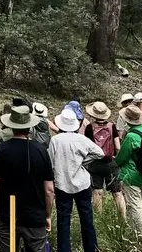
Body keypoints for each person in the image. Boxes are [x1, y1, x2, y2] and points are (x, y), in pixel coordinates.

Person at [0, 105, 54, 252]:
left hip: (9, 215)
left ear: (12, 126)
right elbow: (49, 189)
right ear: (29, 127)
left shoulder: (1, 150)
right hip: (35, 217)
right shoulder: (41, 151)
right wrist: (47, 215)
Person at [49, 108, 102, 252]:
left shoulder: (55, 140)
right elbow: (100, 153)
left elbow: (51, 162)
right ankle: (91, 248)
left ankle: (64, 249)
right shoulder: (81, 139)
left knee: (63, 221)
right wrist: (83, 162)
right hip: (82, 184)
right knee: (87, 219)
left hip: (62, 184)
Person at [114, 106, 142, 242]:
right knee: (138, 202)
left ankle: (138, 236)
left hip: (132, 175)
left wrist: (115, 163)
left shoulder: (130, 136)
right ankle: (134, 231)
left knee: (135, 206)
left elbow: (122, 157)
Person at [83, 102, 125, 224]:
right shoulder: (112, 126)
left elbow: (87, 147)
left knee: (97, 192)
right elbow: (118, 147)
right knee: (117, 193)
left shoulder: (89, 127)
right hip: (111, 162)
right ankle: (123, 220)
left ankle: (99, 221)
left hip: (95, 163)